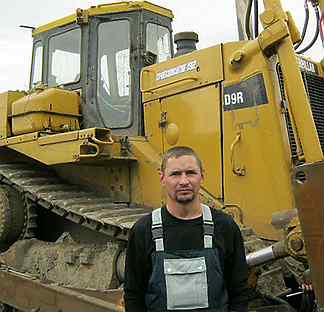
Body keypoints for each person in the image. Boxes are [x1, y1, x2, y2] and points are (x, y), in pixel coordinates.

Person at [124, 146, 249, 312]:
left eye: (190, 173)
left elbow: (239, 290)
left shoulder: (224, 227)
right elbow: (133, 294)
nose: (184, 181)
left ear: (202, 176)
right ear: (162, 178)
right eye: (175, 174)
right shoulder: (143, 231)